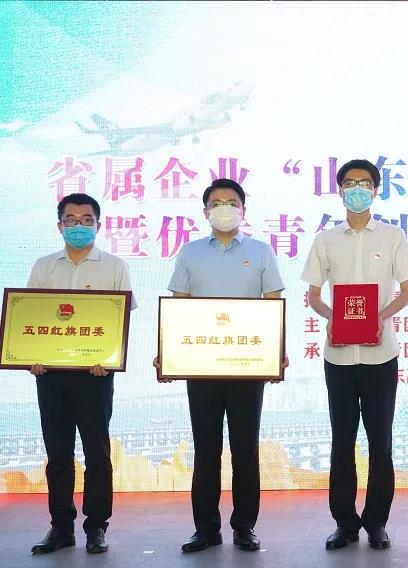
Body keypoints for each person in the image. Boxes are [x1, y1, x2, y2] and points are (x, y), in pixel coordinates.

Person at [161, 178, 286, 553]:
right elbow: (179, 307)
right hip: (202, 365)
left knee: (245, 449)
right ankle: (206, 528)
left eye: (232, 202)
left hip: (248, 365)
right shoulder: (190, 252)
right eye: (217, 203)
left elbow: (273, 303)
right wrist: (168, 351)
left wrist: (277, 351)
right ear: (205, 212)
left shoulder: (261, 252)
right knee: (206, 449)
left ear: (243, 210)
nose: (224, 209)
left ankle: (244, 526)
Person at [301, 159, 408, 550]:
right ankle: (345, 522)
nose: (357, 189)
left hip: (380, 354)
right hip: (338, 356)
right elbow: (314, 295)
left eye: (365, 183)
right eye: (350, 183)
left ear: (376, 189)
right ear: (339, 191)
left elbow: (407, 291)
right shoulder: (325, 240)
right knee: (342, 441)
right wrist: (332, 318)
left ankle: (377, 522)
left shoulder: (392, 236)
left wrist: (380, 319)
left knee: (380, 442)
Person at [27, 193, 135, 555]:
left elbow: (121, 321)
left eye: (86, 220)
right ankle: (61, 527)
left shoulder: (114, 266)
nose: (79, 226)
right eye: (71, 220)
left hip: (95, 375)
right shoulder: (44, 267)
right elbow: (29, 319)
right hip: (51, 374)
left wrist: (110, 357)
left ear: (98, 225)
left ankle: (96, 527)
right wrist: (31, 357)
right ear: (59, 226)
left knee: (97, 454)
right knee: (58, 454)